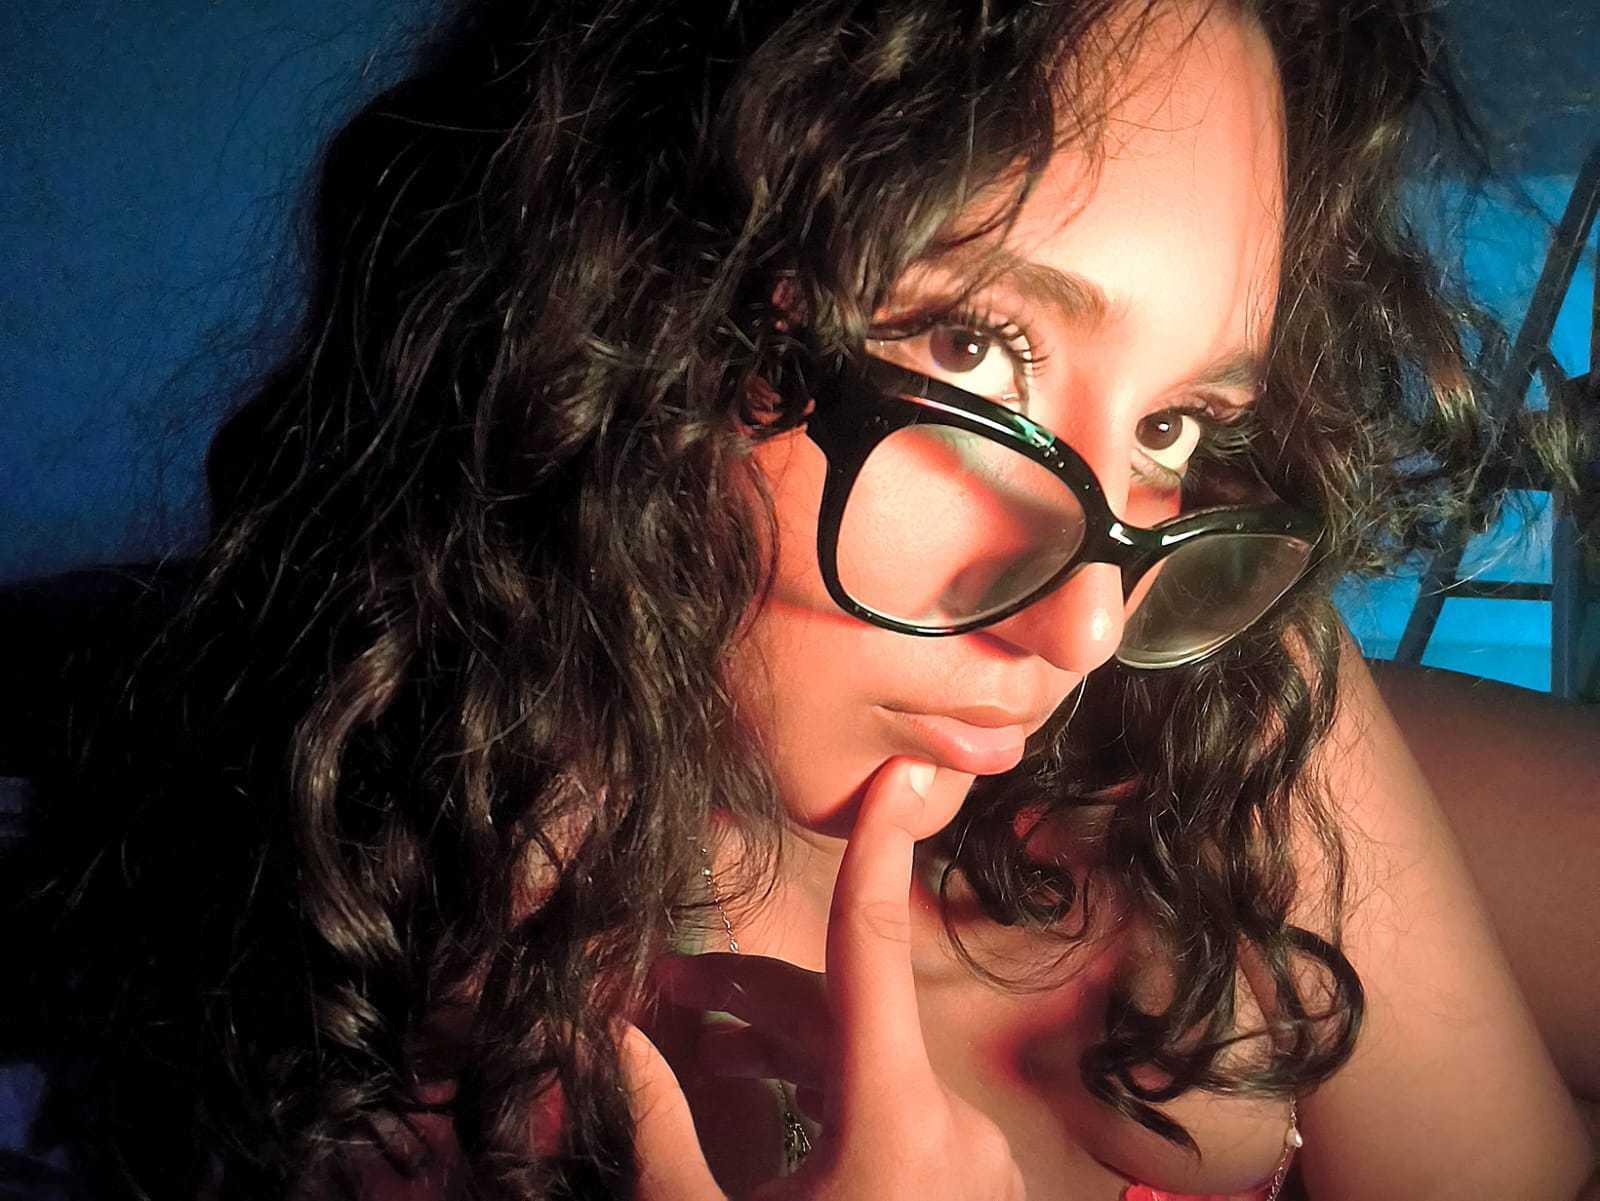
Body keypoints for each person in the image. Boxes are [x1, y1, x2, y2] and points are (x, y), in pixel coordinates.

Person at [1, 1, 1595, 1199]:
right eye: (974, 350)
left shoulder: (1228, 702)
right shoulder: (412, 1059)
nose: (1089, 626)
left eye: (1176, 427)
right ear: (624, 313)